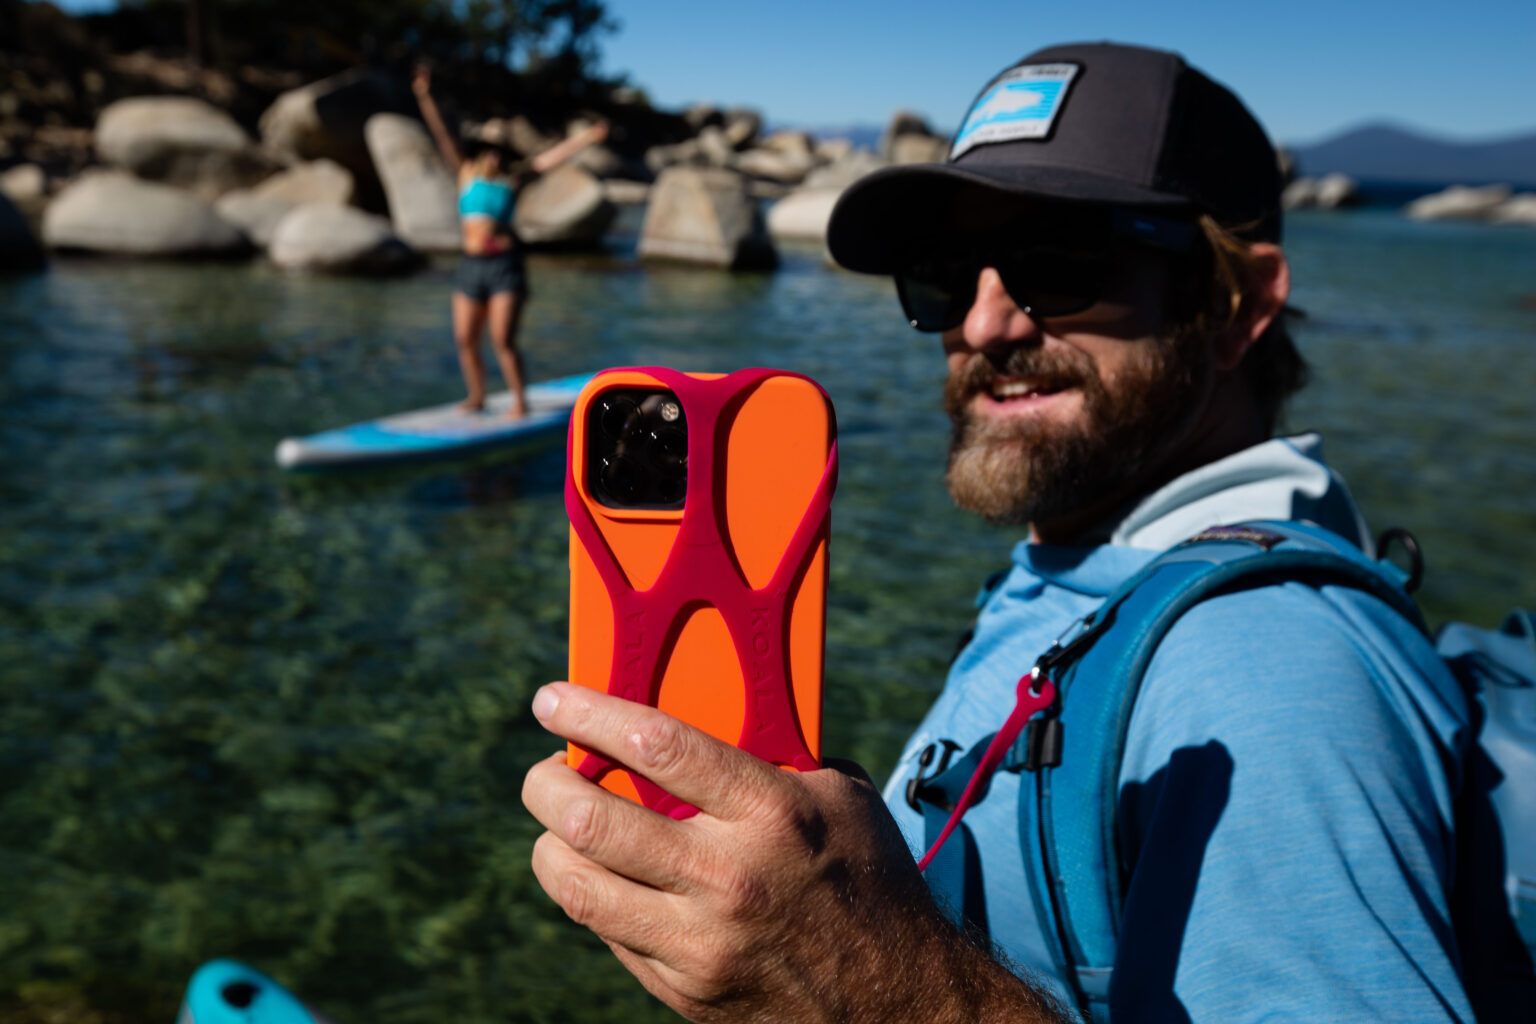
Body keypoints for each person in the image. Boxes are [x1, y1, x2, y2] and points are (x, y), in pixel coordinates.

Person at [521, 42, 1530, 1022]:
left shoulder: (1265, 667)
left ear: (1237, 305)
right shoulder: (1104, 569)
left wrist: (891, 995)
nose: (986, 325)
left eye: (1060, 264)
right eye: (948, 277)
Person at [412, 65, 608, 418]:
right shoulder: (464, 175)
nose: (495, 156)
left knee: (502, 341)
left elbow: (549, 160)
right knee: (465, 341)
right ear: (479, 151)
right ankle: (477, 397)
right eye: (489, 150)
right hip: (470, 266)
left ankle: (520, 401)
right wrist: (424, 95)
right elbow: (441, 133)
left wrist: (587, 139)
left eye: (500, 151)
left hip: (505, 267)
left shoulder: (512, 180)